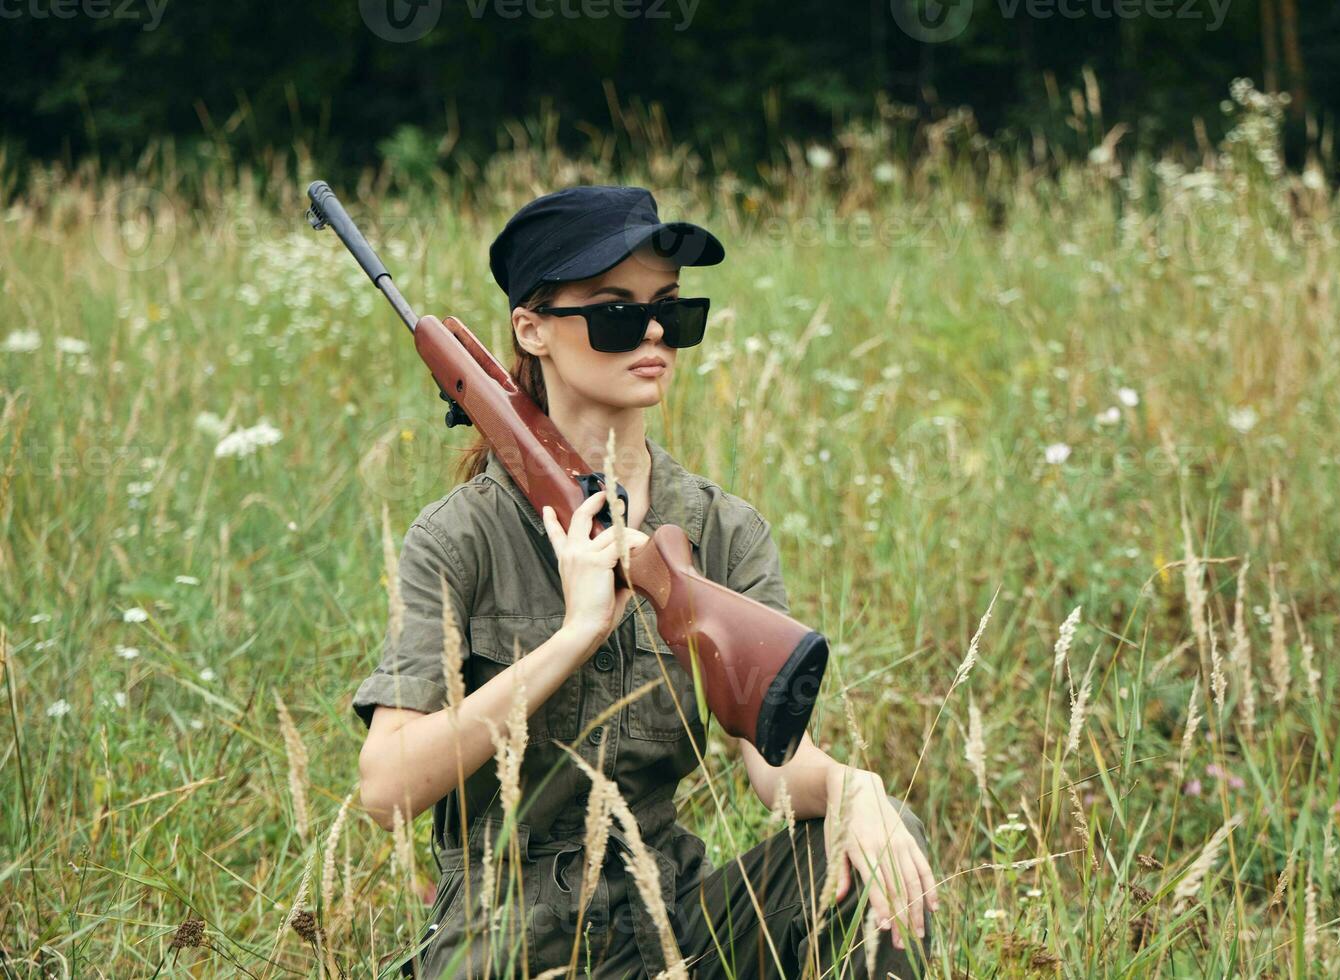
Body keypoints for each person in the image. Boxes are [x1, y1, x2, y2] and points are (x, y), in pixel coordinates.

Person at [350, 185, 939, 978]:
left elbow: (773, 765)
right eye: (615, 311)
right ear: (533, 329)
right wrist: (574, 636)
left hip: (673, 916)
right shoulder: (460, 537)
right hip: (504, 938)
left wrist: (850, 786)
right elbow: (385, 788)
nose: (654, 330)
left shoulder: (723, 531)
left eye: (670, 309)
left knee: (874, 841)